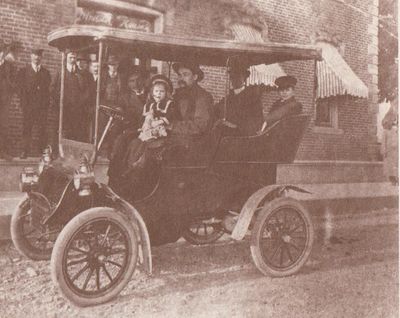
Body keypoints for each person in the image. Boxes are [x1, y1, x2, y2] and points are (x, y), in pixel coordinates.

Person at [18, 48, 51, 159]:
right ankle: (24, 151)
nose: (37, 57)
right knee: (27, 128)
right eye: (35, 55)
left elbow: (48, 90)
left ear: (41, 57)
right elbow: (20, 90)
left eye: (39, 55)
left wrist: (46, 105)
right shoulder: (23, 71)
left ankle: (42, 152)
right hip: (28, 106)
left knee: (42, 129)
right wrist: (24, 104)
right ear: (31, 56)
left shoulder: (46, 73)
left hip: (42, 107)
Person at [170, 62, 214, 145]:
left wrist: (172, 126)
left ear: (195, 77)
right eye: (179, 75)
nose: (181, 78)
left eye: (185, 74)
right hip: (176, 141)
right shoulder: (177, 95)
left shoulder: (202, 97)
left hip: (194, 145)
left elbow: (199, 126)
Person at [214, 63, 264, 136]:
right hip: (225, 135)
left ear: (244, 78)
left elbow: (257, 121)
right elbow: (216, 111)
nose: (234, 79)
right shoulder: (228, 98)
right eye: (232, 77)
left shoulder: (253, 98)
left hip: (241, 137)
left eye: (238, 76)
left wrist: (235, 126)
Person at [52, 50, 88, 142]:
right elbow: (52, 88)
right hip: (62, 108)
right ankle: (57, 152)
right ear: (66, 58)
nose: (72, 59)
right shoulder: (60, 72)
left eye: (74, 58)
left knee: (74, 131)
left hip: (76, 109)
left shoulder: (81, 73)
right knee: (60, 130)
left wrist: (80, 102)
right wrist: (59, 100)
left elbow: (86, 91)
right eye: (70, 57)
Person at [0, 41, 17, 160]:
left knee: (3, 125)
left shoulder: (9, 66)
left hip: (4, 100)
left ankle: (2, 151)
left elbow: (13, 83)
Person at [381, 95, 398, 185]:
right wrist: (383, 150)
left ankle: (396, 179)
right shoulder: (387, 128)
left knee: (396, 164)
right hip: (390, 148)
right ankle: (393, 180)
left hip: (397, 146)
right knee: (390, 165)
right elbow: (384, 139)